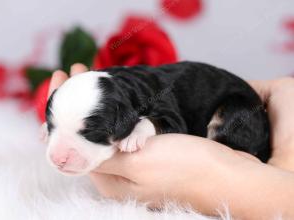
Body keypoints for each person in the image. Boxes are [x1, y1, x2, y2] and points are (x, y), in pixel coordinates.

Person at [47, 63, 294, 220]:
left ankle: (241, 157)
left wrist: (146, 127)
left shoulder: (147, 102)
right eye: (51, 125)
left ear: (125, 118)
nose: (57, 156)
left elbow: (172, 122)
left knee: (233, 116)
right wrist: (64, 125)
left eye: (89, 132)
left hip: (236, 105)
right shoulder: (116, 99)